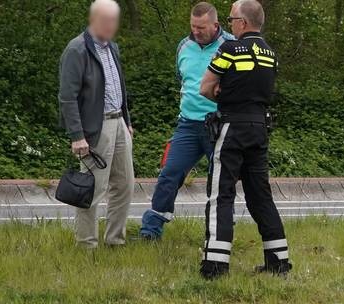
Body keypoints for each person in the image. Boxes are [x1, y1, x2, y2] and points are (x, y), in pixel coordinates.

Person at [198, 0, 290, 279]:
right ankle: (278, 262)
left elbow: (205, 87)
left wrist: (221, 93)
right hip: (259, 128)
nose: (230, 24)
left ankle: (215, 265)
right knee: (260, 195)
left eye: (232, 19)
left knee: (220, 195)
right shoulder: (271, 54)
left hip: (232, 127)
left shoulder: (229, 48)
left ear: (244, 23)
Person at [139, 2, 234, 240]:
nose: (196, 31)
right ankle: (151, 230)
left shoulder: (232, 45)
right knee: (169, 172)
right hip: (188, 124)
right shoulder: (184, 46)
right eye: (193, 26)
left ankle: (218, 232)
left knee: (220, 180)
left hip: (218, 124)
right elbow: (183, 79)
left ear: (215, 24)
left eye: (201, 27)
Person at [58, 0, 134, 249]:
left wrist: (127, 120)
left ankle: (115, 242)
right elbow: (67, 97)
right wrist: (77, 135)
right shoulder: (77, 49)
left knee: (124, 185)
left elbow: (119, 86)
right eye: (107, 20)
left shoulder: (112, 47)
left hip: (118, 122)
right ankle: (86, 245)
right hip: (95, 127)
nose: (111, 26)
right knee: (91, 189)